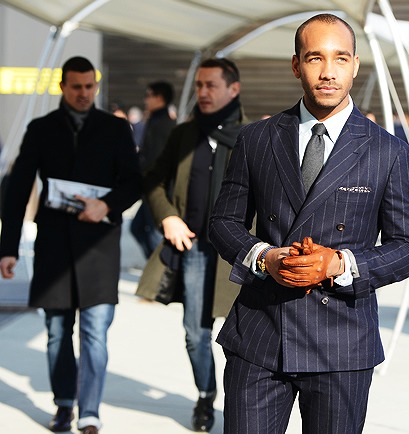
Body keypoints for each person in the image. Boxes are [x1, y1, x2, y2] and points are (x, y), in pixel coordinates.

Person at [208, 13, 409, 433]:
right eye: (315, 58)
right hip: (259, 335)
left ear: (355, 65)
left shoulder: (388, 151)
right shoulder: (257, 138)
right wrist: (264, 256)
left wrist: (338, 264)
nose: (328, 72)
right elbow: (223, 223)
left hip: (342, 344)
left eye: (340, 58)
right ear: (296, 65)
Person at [0, 56, 141, 434]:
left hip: (99, 248)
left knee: (95, 332)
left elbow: (133, 182)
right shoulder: (41, 128)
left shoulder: (115, 128)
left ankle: (90, 410)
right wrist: (8, 247)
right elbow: (17, 190)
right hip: (54, 248)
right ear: (62, 87)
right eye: (76, 86)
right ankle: (64, 404)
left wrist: (105, 205)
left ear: (95, 86)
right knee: (58, 332)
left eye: (89, 86)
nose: (83, 93)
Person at [135, 58, 246, 432]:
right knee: (195, 333)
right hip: (196, 249)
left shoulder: (253, 136)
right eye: (199, 85)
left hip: (240, 254)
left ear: (233, 89)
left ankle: (243, 405)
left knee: (243, 339)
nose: (203, 92)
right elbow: (153, 180)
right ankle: (205, 396)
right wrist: (168, 216)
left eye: (211, 85)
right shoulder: (184, 134)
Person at [130, 81, 177, 258]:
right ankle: (155, 265)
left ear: (159, 98)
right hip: (150, 186)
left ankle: (160, 268)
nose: (145, 100)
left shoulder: (164, 124)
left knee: (154, 233)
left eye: (149, 95)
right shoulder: (155, 120)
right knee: (137, 228)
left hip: (157, 188)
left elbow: (156, 158)